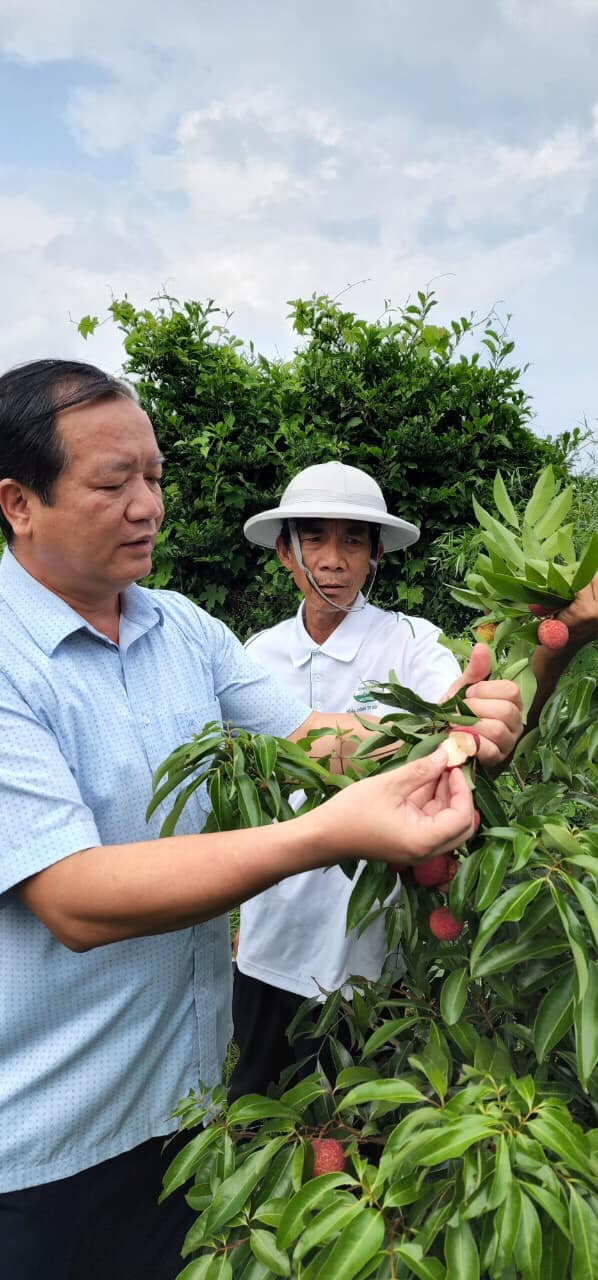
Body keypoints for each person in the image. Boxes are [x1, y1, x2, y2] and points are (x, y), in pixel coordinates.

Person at [0, 361, 479, 1280]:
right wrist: (326, 833)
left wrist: (447, 727)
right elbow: (75, 897)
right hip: (47, 1145)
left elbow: (310, 741)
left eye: (156, 478)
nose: (148, 507)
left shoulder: (181, 629)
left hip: (188, 1118)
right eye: (113, 484)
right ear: (19, 503)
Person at [231, 459, 595, 1098]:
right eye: (314, 537)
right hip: (266, 946)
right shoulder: (256, 656)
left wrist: (551, 654)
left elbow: (473, 737)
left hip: (370, 958)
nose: (334, 559)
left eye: (353, 540)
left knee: (364, 1125)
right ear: (286, 553)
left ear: (375, 555)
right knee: (260, 1112)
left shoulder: (410, 644)